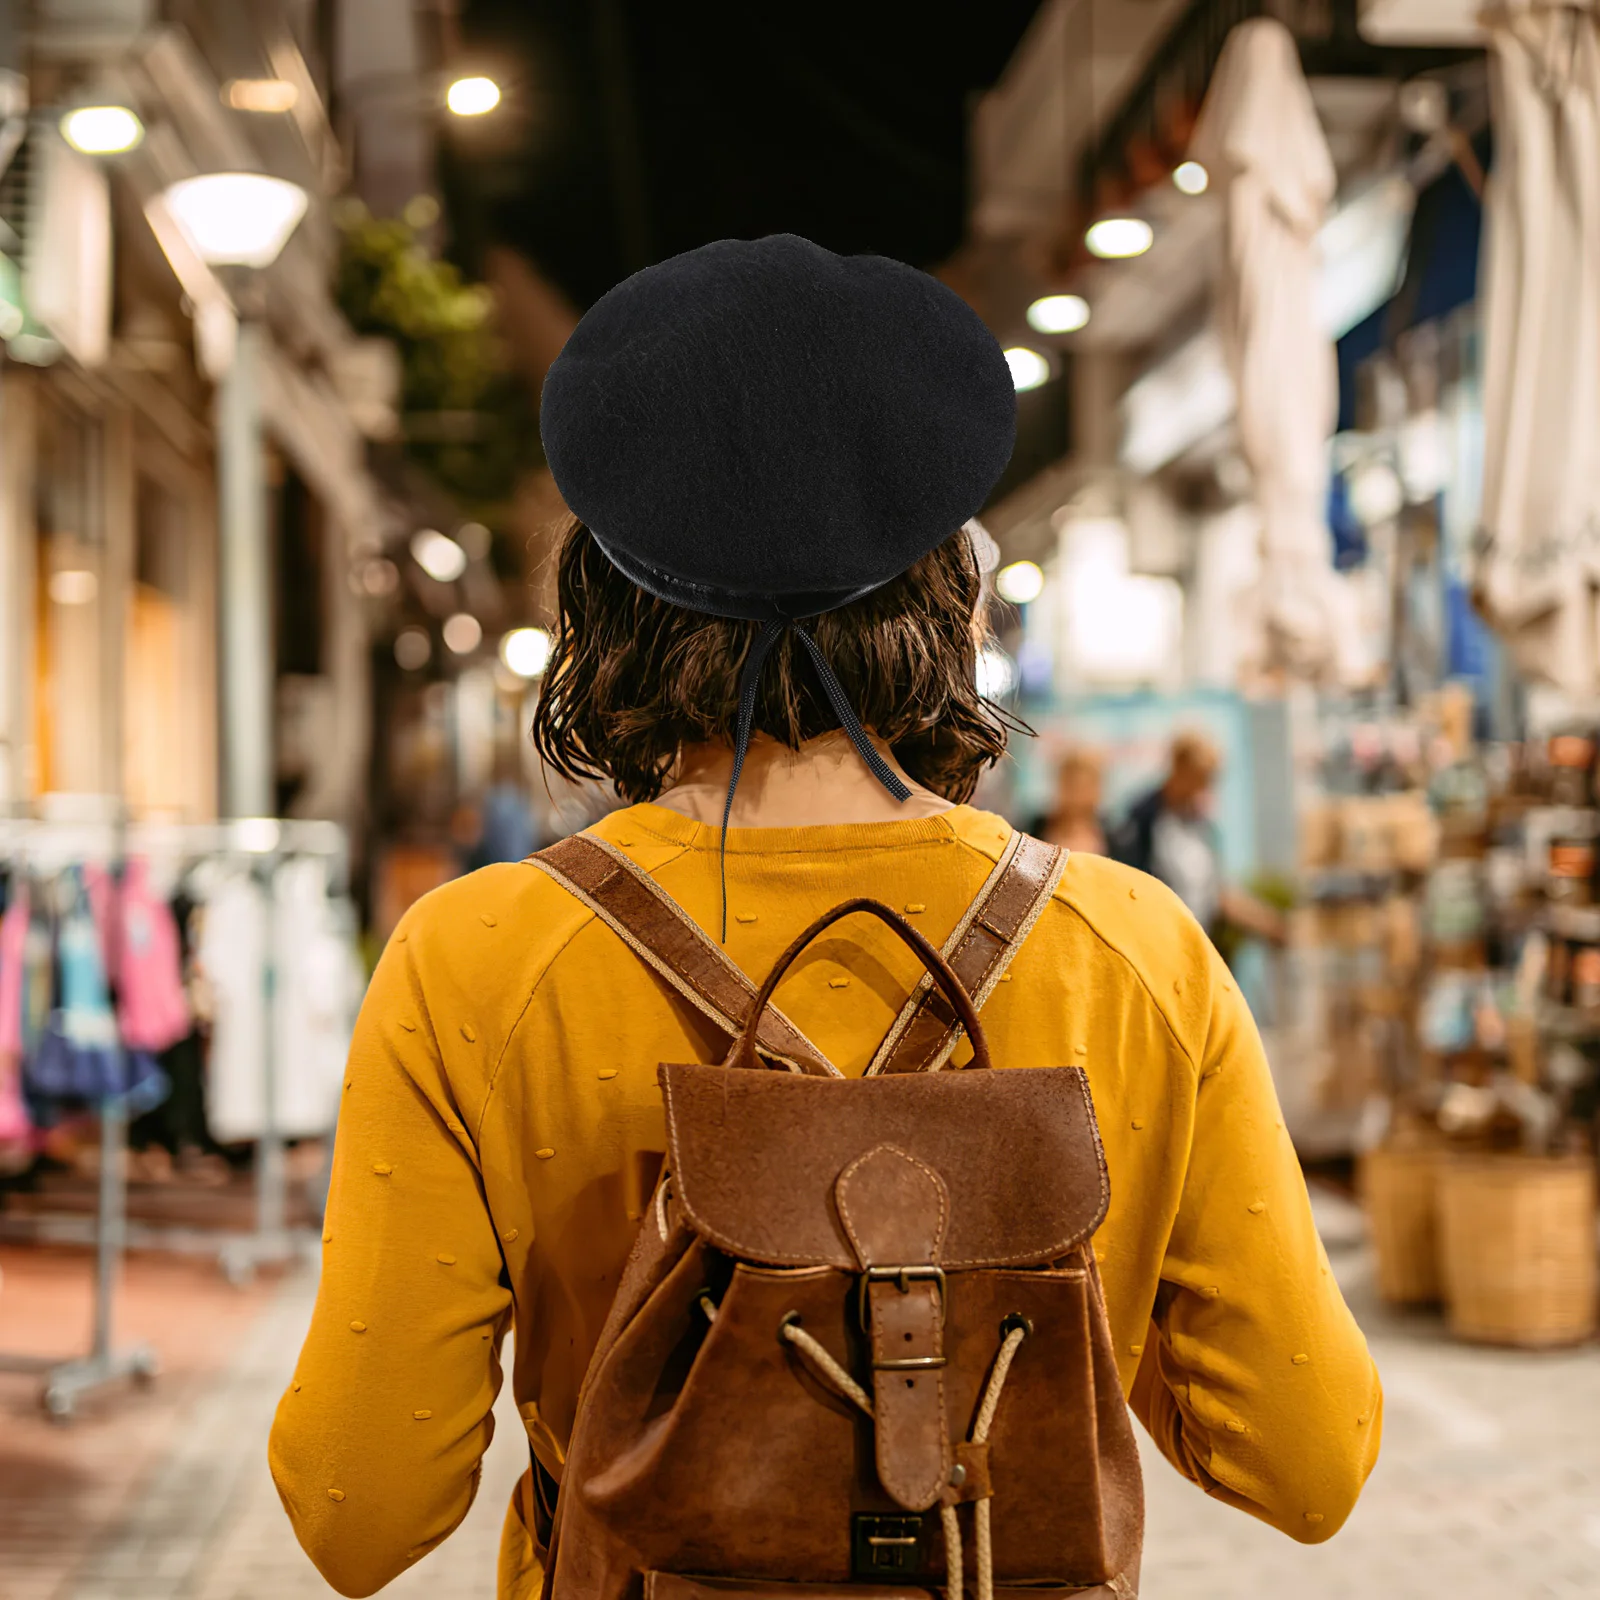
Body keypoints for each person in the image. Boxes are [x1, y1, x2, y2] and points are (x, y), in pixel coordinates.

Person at [268, 236, 1378, 1599]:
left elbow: (357, 1507)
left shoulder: (474, 958)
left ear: (602, 605)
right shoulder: (1134, 946)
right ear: (948, 592)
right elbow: (1309, 1465)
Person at [1110, 730, 1288, 946]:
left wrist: (1265, 921)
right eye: (1201, 777)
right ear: (1180, 768)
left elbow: (1214, 889)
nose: (1204, 786)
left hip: (1196, 940)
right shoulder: (1142, 819)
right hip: (1155, 941)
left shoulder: (1200, 823)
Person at [1029, 744, 1108, 855]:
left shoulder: (1115, 838)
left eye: (1084, 787)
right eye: (1071, 785)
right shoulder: (1033, 832)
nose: (1077, 796)